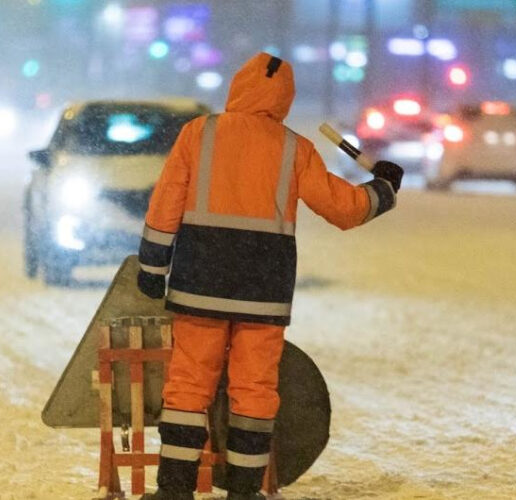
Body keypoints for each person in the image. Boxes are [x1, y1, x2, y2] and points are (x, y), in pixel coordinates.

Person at [136, 53, 403, 500]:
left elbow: (166, 203)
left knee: (188, 384)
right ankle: (245, 490)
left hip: (200, 282)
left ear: (238, 86)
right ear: (285, 99)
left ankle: (175, 490)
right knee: (255, 391)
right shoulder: (294, 148)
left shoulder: (199, 135)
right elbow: (343, 208)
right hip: (263, 291)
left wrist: (152, 266)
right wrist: (384, 190)